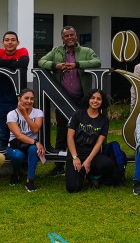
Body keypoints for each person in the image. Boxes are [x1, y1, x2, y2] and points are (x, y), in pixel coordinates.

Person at [38, 26, 101, 176]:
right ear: (62, 38)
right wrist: (56, 66)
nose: (69, 38)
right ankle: (59, 166)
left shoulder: (86, 51)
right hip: (62, 98)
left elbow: (97, 62)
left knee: (83, 131)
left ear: (76, 36)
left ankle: (83, 162)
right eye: (66, 36)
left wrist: (77, 65)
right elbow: (41, 61)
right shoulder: (57, 51)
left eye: (72, 35)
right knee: (62, 131)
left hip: (82, 98)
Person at [66, 89, 121, 192]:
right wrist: (75, 157)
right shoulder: (78, 114)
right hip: (76, 153)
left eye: (99, 99)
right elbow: (69, 137)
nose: (95, 101)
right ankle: (85, 175)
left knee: (108, 164)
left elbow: (99, 142)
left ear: (102, 102)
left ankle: (93, 175)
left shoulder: (104, 120)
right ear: (88, 100)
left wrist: (88, 160)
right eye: (93, 98)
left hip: (92, 154)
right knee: (73, 188)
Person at [0, 31, 30, 151]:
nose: (10, 42)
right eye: (7, 40)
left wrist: (5, 64)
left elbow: (23, 63)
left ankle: (19, 155)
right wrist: (14, 64)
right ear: (3, 42)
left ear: (18, 42)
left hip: (18, 96)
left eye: (13, 40)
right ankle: (2, 151)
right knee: (2, 124)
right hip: (2, 96)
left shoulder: (22, 51)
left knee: (20, 124)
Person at [6, 88, 46, 192]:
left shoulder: (38, 112)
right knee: (18, 156)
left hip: (30, 146)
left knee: (33, 150)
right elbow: (18, 136)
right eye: (26, 98)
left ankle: (30, 180)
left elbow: (35, 129)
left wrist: (25, 115)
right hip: (16, 144)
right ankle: (16, 173)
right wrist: (36, 142)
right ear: (19, 99)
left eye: (32, 99)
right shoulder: (12, 114)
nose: (29, 101)